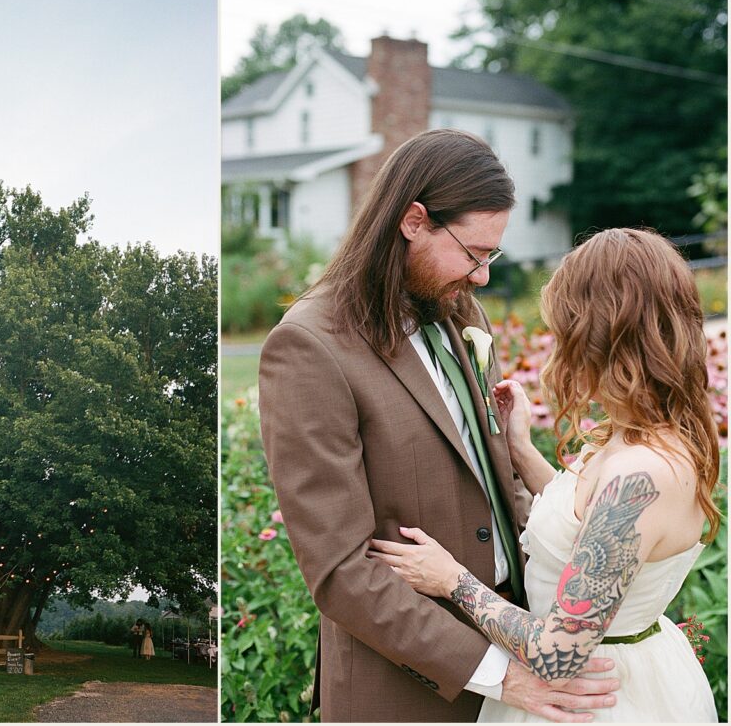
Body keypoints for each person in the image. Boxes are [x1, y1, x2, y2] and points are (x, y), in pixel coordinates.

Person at [259, 129, 619, 722]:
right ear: (413, 221)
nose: (481, 276)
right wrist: (502, 676)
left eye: (491, 257)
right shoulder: (308, 347)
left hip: (522, 646)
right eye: (474, 253)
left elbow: (494, 482)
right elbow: (340, 571)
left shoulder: (458, 309)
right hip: (410, 690)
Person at [367, 228, 719, 722]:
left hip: (598, 699)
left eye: (565, 331)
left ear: (599, 336)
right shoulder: (640, 432)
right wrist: (521, 450)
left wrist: (452, 580)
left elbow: (560, 654)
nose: (559, 349)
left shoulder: (643, 476)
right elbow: (586, 526)